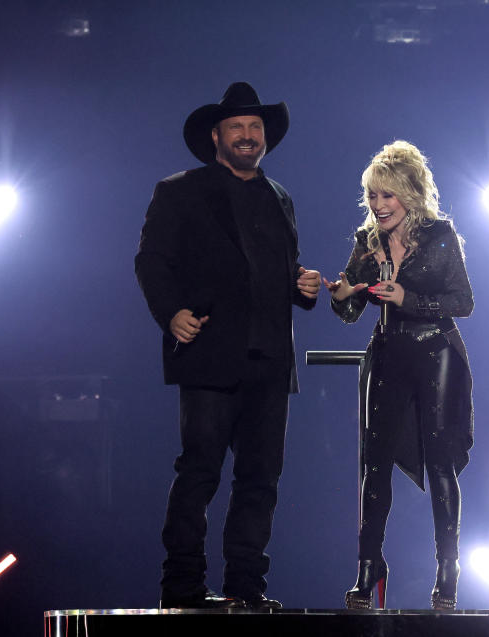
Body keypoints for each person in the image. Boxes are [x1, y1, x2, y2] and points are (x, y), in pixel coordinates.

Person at [135, 82, 320, 610]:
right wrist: (171, 314)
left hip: (269, 360)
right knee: (200, 473)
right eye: (237, 126)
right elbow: (151, 261)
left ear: (265, 138)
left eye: (255, 127)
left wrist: (302, 286)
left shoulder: (279, 196)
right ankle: (183, 589)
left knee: (261, 479)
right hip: (210, 354)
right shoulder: (180, 190)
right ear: (216, 135)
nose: (247, 135)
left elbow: (279, 271)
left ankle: (246, 588)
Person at [324, 140, 474, 610]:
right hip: (387, 353)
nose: (378, 205)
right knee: (373, 465)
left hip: (436, 352)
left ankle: (447, 568)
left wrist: (408, 300)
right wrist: (340, 293)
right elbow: (349, 310)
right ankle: (369, 567)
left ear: (409, 194)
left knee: (441, 462)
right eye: (372, 195)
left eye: (386, 196)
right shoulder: (365, 241)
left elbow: (463, 302)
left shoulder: (441, 235)